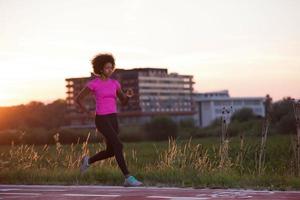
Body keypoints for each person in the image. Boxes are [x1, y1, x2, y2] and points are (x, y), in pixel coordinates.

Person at [75, 53, 143, 187]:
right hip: (101, 119)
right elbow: (78, 99)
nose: (110, 70)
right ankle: (128, 178)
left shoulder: (115, 83)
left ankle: (88, 161)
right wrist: (88, 112)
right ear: (100, 69)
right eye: (107, 68)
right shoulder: (93, 84)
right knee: (118, 145)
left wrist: (128, 96)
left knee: (111, 151)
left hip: (113, 119)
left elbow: (123, 102)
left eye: (111, 67)